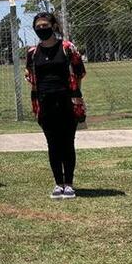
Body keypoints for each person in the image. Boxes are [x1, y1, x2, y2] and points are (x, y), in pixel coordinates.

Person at [25, 12, 86, 199]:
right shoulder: (32, 53)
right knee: (52, 144)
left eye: (45, 25)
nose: (41, 29)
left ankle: (69, 184)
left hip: (67, 102)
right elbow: (30, 75)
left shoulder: (67, 47)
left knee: (67, 143)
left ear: (53, 26)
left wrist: (76, 97)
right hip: (44, 103)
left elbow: (79, 73)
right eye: (38, 26)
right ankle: (58, 183)